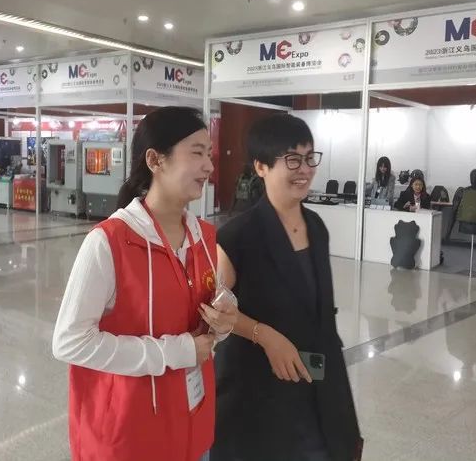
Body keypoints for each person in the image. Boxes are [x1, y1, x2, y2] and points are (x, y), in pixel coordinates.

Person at [52, 106, 238, 461]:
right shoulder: (110, 242)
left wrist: (223, 323)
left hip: (191, 426)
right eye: (197, 153)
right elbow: (70, 342)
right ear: (155, 160)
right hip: (131, 437)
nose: (209, 167)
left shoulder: (203, 237)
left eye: (210, 155)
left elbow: (200, 325)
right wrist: (177, 352)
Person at [212, 114, 362, 461]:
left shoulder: (316, 226)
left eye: (310, 158)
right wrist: (265, 335)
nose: (305, 170)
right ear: (261, 166)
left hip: (318, 383)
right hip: (259, 392)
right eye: (292, 159)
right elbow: (214, 310)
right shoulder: (237, 236)